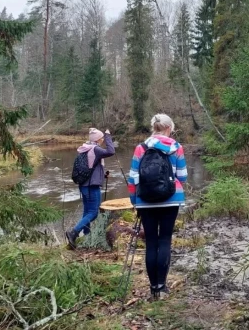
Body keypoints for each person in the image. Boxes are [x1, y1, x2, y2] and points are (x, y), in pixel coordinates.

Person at [128, 114, 187, 300]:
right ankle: (162, 287)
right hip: (171, 199)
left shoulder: (141, 148)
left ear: (153, 127)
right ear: (169, 128)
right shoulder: (176, 147)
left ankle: (153, 287)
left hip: (145, 200)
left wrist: (134, 201)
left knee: (151, 242)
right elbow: (183, 176)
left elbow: (133, 178)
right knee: (165, 240)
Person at [66, 128, 115, 249]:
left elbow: (89, 167)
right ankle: (73, 233)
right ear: (98, 139)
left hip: (84, 185)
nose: (103, 139)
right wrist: (109, 136)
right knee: (93, 213)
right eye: (102, 138)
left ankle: (87, 236)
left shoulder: (85, 148)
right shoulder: (96, 149)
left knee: (87, 212)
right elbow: (111, 151)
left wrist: (103, 175)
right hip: (91, 186)